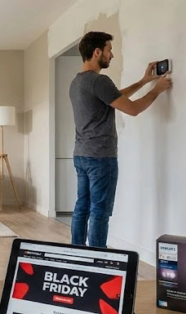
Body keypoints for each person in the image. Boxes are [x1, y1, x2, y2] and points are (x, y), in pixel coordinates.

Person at [69, 32, 173, 247]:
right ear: (97, 52)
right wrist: (157, 90)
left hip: (81, 154)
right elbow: (133, 109)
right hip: (100, 157)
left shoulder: (77, 82)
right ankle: (97, 257)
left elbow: (113, 96)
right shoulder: (99, 81)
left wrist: (144, 81)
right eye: (109, 49)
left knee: (82, 207)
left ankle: (77, 253)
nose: (112, 55)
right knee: (99, 211)